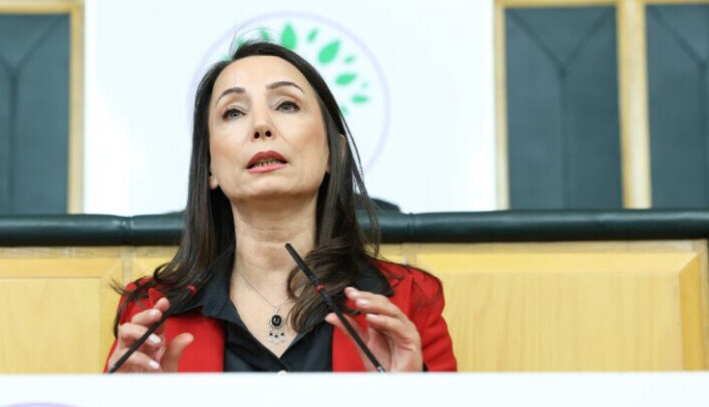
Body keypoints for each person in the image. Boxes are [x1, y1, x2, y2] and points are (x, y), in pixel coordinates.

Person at [106, 41, 456, 373]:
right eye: (233, 112)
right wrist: (128, 404)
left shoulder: (410, 300)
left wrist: (409, 398)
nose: (261, 126)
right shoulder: (152, 314)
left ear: (334, 153)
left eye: (286, 105)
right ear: (209, 167)